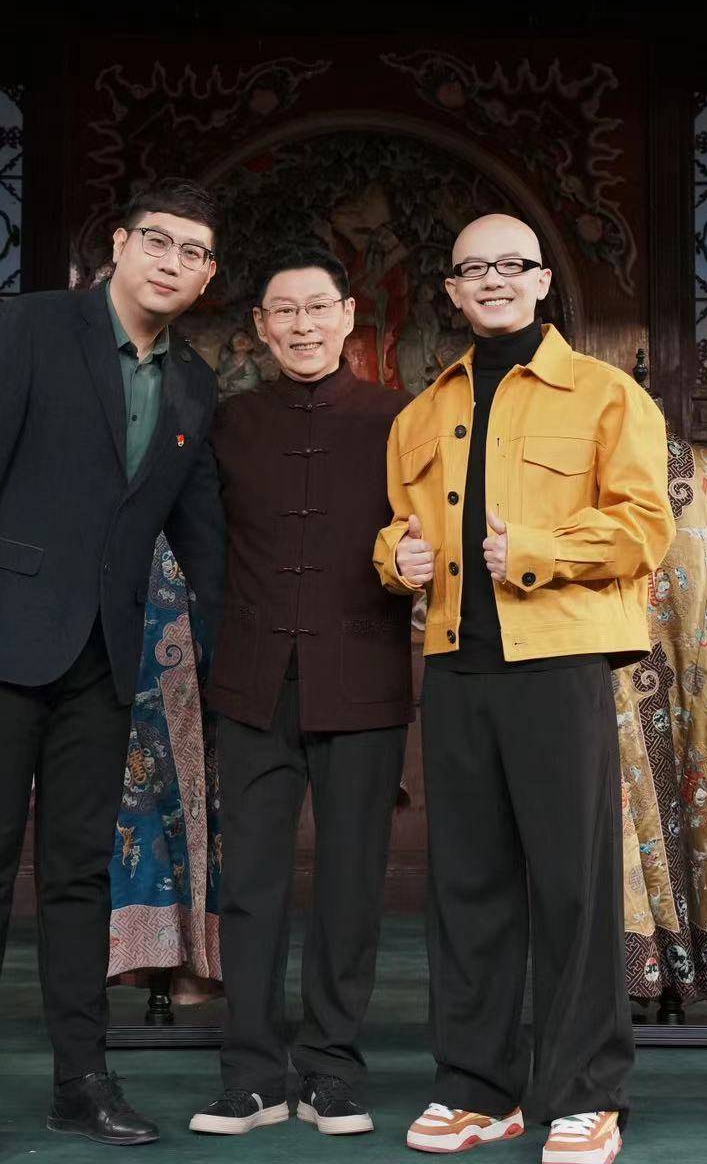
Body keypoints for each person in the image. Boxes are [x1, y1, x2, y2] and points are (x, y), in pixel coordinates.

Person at [0, 178, 230, 1159]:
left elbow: (204, 537)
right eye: (160, 242)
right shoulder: (31, 327)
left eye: (194, 253)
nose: (173, 262)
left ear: (208, 277)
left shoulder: (194, 383)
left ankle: (81, 1084)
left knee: (81, 876)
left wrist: (233, 653)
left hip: (104, 659)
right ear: (122, 244)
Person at [374, 214, 672, 1164]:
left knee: (574, 888)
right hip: (456, 666)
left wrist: (538, 550)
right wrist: (394, 558)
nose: (493, 280)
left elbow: (646, 527)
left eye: (511, 265)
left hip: (559, 664)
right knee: (467, 886)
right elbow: (396, 528)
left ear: (543, 281)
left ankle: (587, 1096)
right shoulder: (422, 413)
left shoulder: (607, 395)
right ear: (452, 292)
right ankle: (477, 1090)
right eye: (474, 269)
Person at [187, 249, 414, 1139]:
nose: (303, 325)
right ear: (260, 328)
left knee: (352, 886)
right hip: (252, 681)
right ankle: (249, 1074)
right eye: (284, 311)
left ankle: (331, 1070)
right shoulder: (228, 423)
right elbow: (201, 545)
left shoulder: (402, 419)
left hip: (362, 678)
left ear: (350, 315)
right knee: (250, 883)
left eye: (318, 307)